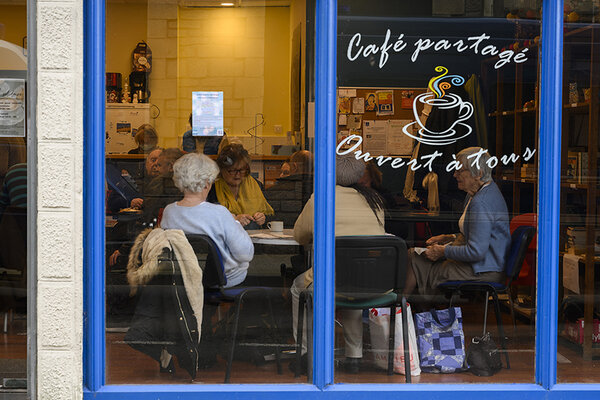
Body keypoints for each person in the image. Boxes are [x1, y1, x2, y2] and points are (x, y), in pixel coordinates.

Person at [290, 154, 386, 374]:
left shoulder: (321, 198)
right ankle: (354, 357)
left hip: (331, 278)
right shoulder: (375, 201)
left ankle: (305, 353)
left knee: (298, 288)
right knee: (351, 285)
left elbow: (300, 236)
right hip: (369, 281)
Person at [404, 147, 510, 299]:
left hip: (483, 271)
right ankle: (411, 312)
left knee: (417, 260)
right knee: (415, 256)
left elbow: (476, 251)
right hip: (481, 265)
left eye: (460, 171)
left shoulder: (481, 202)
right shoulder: (477, 194)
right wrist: (449, 237)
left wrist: (442, 251)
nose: (454, 175)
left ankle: (402, 310)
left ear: (478, 174)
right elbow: (477, 233)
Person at [160, 153, 254, 288]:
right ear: (206, 183)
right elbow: (245, 254)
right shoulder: (219, 213)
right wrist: (236, 222)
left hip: (183, 281)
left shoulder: (169, 211)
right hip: (221, 280)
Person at [209, 143, 274, 229]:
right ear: (221, 170)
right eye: (232, 170)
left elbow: (270, 219)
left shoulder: (257, 185)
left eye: (242, 170)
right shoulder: (211, 188)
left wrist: (262, 218)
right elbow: (208, 220)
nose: (237, 175)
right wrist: (234, 220)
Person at [265, 150, 314, 228]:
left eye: (286, 172)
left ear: (294, 167)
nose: (281, 175)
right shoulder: (323, 191)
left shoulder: (273, 193)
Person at [107, 147, 162, 213]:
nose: (156, 164)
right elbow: (112, 203)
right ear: (146, 164)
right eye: (153, 160)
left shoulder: (172, 184)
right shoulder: (131, 181)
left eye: (161, 161)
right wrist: (130, 202)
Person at [141, 148, 184, 225]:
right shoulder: (189, 184)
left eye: (160, 165)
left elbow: (148, 212)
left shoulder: (159, 182)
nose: (157, 169)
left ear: (170, 167)